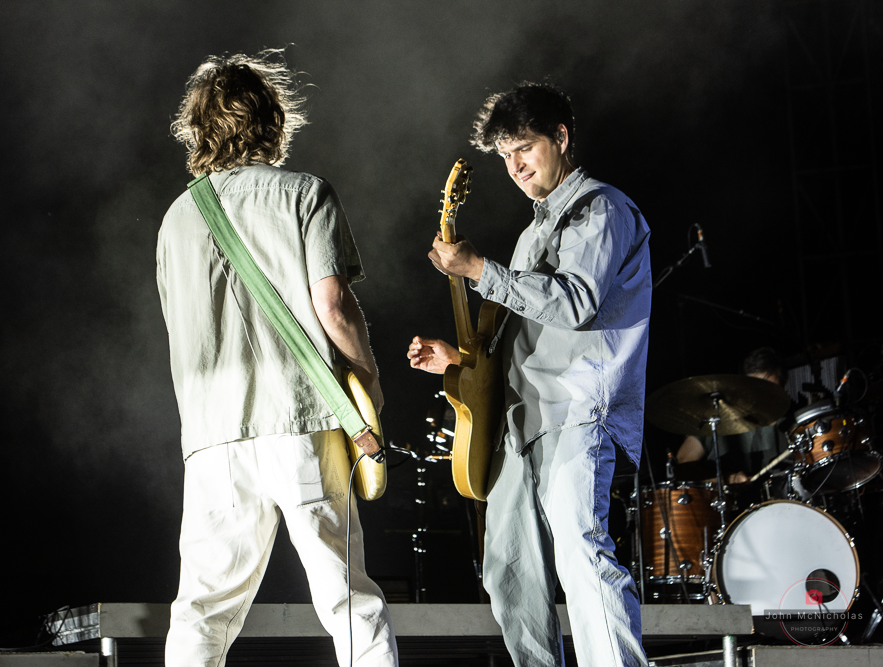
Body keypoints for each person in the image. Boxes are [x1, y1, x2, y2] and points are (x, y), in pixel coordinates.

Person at [156, 51, 396, 667]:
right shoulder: (305, 194)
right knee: (349, 601)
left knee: (202, 610)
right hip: (301, 421)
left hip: (212, 437)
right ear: (272, 120)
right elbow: (332, 305)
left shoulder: (175, 221)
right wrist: (368, 382)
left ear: (198, 129)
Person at [407, 82, 651, 666]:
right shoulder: (530, 235)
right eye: (505, 156)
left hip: (576, 411)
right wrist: (458, 361)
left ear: (560, 138)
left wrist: (478, 269)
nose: (515, 166)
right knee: (509, 576)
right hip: (521, 421)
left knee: (582, 556)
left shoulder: (601, 208)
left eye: (524, 148)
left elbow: (574, 303)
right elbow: (517, 339)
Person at [676, 347, 791, 484]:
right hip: (726, 496)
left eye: (770, 390)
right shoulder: (717, 418)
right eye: (755, 388)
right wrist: (728, 479)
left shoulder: (793, 424)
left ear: (782, 388)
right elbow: (683, 463)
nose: (761, 396)